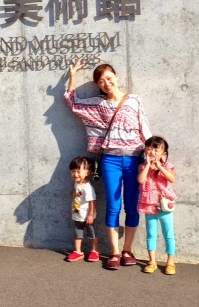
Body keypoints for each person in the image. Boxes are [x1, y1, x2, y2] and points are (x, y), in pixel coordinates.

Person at [65, 59, 152, 270]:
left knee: (132, 205)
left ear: (116, 77)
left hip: (134, 159)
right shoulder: (99, 104)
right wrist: (73, 76)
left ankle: (127, 250)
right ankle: (114, 252)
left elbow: (144, 127)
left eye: (109, 78)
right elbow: (73, 103)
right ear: (98, 85)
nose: (106, 83)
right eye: (101, 81)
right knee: (113, 206)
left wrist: (153, 155)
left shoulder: (134, 100)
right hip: (110, 159)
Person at [137, 136, 177, 275]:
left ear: (163, 153)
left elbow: (172, 178)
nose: (152, 152)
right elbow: (140, 180)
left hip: (164, 206)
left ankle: (170, 262)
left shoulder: (167, 166)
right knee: (151, 234)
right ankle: (152, 261)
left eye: (156, 149)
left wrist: (160, 166)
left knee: (168, 234)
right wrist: (148, 165)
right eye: (149, 148)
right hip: (149, 206)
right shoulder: (143, 167)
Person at [66, 156, 100, 262]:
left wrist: (91, 215)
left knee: (92, 234)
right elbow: (77, 192)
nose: (75, 174)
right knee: (78, 234)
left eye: (78, 171)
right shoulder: (77, 183)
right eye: (73, 171)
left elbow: (92, 201)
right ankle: (78, 252)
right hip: (77, 215)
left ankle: (94, 251)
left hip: (87, 216)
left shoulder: (88, 188)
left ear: (87, 172)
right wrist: (73, 192)